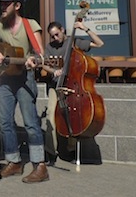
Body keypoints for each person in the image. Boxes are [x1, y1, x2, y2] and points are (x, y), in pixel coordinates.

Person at [0, 0, 48, 183]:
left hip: (24, 78)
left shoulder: (30, 25)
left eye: (7, 3)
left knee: (30, 122)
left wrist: (33, 61)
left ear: (17, 6)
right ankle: (14, 162)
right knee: (5, 122)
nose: (3, 6)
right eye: (2, 3)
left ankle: (40, 166)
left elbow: (41, 55)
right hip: (5, 79)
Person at [42, 21, 104, 165]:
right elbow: (45, 63)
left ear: (63, 30)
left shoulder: (74, 41)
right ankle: (50, 152)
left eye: (57, 34)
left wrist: (86, 29)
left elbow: (99, 43)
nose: (55, 38)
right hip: (56, 85)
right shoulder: (50, 47)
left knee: (74, 115)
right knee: (51, 115)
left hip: (74, 85)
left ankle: (70, 150)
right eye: (52, 36)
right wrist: (54, 71)